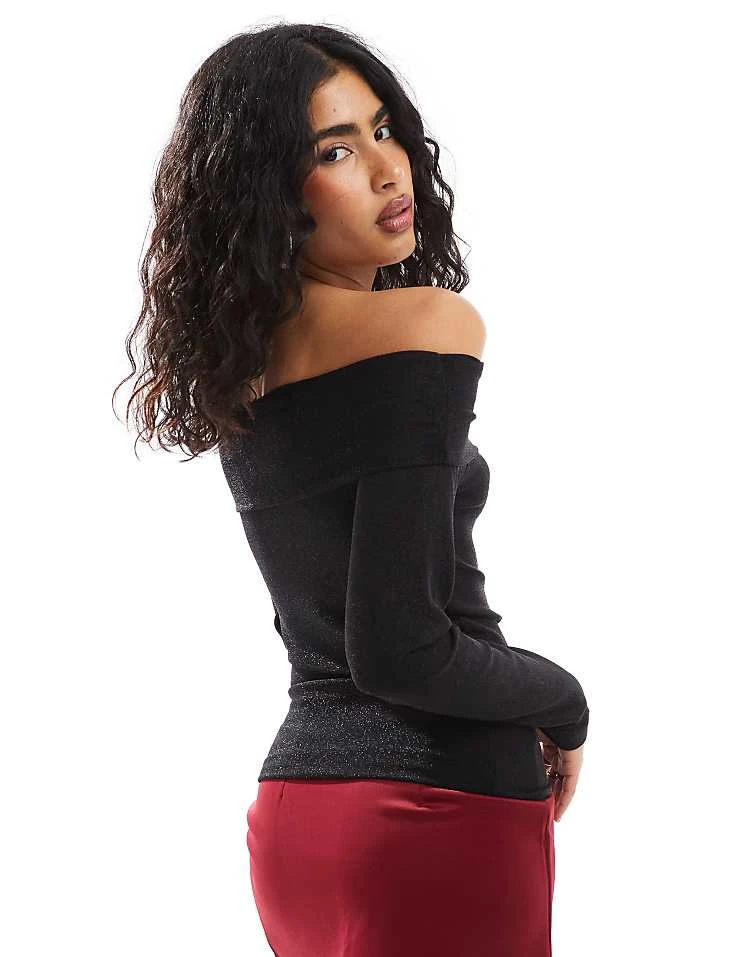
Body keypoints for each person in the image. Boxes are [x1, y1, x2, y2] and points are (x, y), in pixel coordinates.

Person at [114, 22, 589, 957]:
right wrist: (563, 698)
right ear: (274, 194)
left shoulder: (241, 365)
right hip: (431, 809)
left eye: (382, 129)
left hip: (296, 817)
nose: (386, 168)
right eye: (334, 150)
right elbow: (401, 650)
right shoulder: (425, 324)